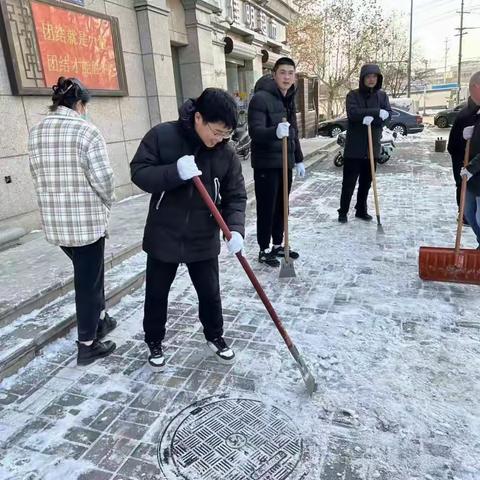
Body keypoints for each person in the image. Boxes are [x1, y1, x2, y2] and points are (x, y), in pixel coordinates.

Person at [130, 88, 246, 369]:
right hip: (163, 233)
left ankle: (215, 335)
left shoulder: (225, 153)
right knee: (157, 293)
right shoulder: (162, 136)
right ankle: (154, 339)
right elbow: (139, 172)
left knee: (210, 292)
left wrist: (235, 228)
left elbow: (235, 195)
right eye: (216, 131)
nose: (219, 139)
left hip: (203, 236)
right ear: (198, 118)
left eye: (225, 134)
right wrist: (174, 172)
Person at [28, 77, 117, 366]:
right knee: (87, 283)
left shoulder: (36, 131)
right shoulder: (86, 130)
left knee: (90, 274)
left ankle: (101, 319)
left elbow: (35, 173)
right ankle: (87, 345)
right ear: (80, 103)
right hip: (86, 222)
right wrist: (108, 201)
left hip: (57, 222)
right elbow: (103, 178)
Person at [248, 57, 305, 268]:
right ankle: (264, 248)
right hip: (266, 164)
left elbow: (294, 133)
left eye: (291, 73)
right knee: (267, 207)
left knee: (282, 206)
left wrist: (298, 159)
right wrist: (274, 132)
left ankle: (278, 244)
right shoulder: (260, 99)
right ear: (274, 75)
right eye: (283, 72)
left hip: (284, 162)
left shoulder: (289, 97)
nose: (287, 77)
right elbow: (255, 131)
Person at [338, 64, 392, 223]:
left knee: (366, 182)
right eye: (368, 76)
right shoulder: (353, 95)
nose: (371, 79)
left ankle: (361, 210)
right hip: (354, 148)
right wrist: (375, 112)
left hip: (372, 147)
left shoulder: (382, 96)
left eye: (375, 76)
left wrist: (380, 118)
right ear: (363, 78)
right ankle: (343, 211)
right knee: (348, 183)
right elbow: (353, 113)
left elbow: (387, 116)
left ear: (378, 79)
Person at [448, 81, 480, 222]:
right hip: (464, 160)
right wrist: (461, 163)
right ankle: (463, 214)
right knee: (464, 189)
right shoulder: (464, 115)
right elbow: (453, 144)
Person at [458, 72, 480, 246]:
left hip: (476, 171)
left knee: (478, 216)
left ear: (476, 87)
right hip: (474, 175)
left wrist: (471, 167)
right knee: (469, 212)